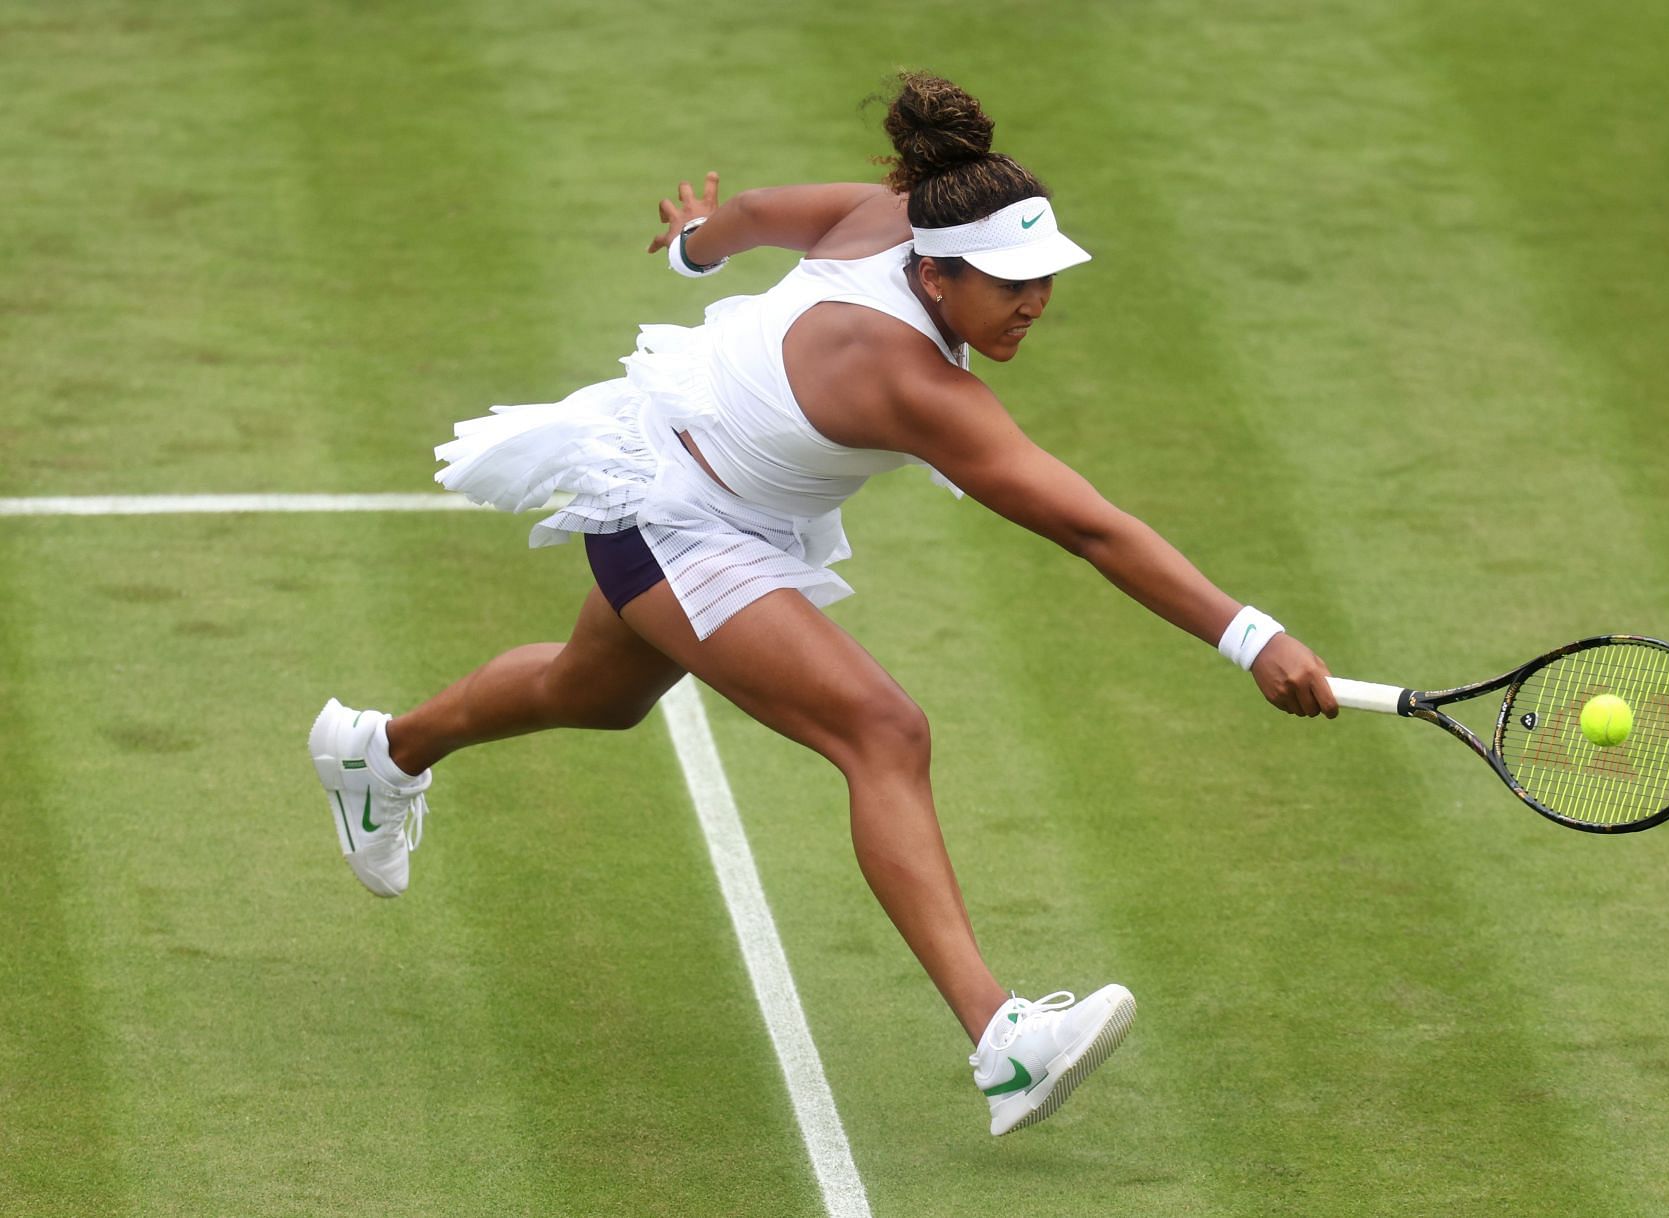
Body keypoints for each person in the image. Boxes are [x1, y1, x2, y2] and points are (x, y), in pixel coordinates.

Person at [308, 72, 1337, 1137]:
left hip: (688, 474)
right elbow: (1089, 526)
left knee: (596, 693)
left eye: (1043, 279)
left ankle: (377, 753)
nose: (1032, 302)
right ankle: (1003, 1042)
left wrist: (690, 248)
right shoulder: (910, 380)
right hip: (672, 515)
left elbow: (744, 219)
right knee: (883, 733)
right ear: (934, 279)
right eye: (1006, 284)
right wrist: (1248, 635)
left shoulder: (891, 212)